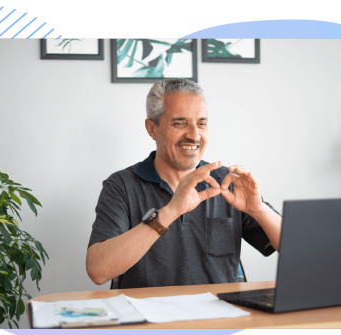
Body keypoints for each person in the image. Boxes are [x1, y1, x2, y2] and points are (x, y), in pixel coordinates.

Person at [86, 79, 283, 289]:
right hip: (147, 318)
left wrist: (259, 210)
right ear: (152, 128)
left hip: (217, 317)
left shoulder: (229, 182)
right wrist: (171, 211)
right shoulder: (121, 185)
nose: (194, 135)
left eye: (201, 123)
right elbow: (98, 271)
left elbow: (299, 250)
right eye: (180, 123)